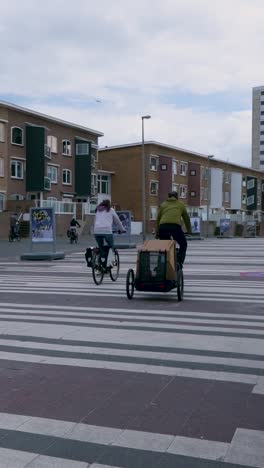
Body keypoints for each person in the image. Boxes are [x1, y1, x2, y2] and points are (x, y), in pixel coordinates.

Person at [156, 191, 192, 266]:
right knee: (183, 244)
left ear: (168, 197)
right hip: (175, 227)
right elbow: (186, 219)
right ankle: (179, 262)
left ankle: (161, 264)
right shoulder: (180, 204)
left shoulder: (163, 204)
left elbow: (158, 219)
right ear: (177, 197)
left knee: (164, 246)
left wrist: (157, 233)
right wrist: (189, 231)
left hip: (163, 227)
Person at [94, 199, 126, 266]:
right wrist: (122, 229)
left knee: (101, 248)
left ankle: (99, 264)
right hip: (107, 231)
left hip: (97, 231)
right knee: (111, 247)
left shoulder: (97, 210)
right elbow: (117, 221)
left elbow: (96, 220)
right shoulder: (111, 210)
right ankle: (111, 261)